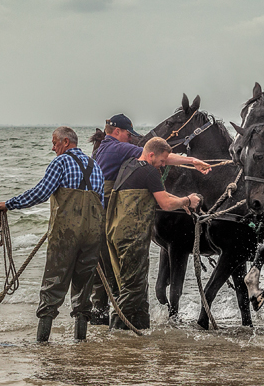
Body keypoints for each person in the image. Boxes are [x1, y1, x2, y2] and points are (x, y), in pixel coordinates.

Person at [89, 114, 211, 325]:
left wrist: (183, 194)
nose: (130, 138)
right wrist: (191, 163)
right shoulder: (122, 151)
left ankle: (103, 320)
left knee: (112, 276)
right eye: (128, 134)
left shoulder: (105, 151)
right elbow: (157, 161)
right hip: (115, 220)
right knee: (131, 284)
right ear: (117, 132)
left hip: (106, 222)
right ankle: (117, 330)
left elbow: (156, 160)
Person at [0, 127, 104, 343]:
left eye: (54, 143)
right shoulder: (96, 165)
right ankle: (80, 342)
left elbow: (41, 192)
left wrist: (9, 204)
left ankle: (42, 343)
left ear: (65, 142)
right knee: (84, 290)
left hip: (66, 234)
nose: (52, 147)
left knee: (53, 286)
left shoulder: (60, 162)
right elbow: (101, 203)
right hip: (93, 235)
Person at [104, 137, 202, 331]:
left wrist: (185, 201)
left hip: (115, 234)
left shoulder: (129, 165)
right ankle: (113, 337)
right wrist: (187, 200)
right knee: (133, 290)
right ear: (151, 155)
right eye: (163, 161)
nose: (164, 165)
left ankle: (141, 332)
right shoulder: (150, 171)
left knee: (137, 289)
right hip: (133, 238)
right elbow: (165, 203)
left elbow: (161, 196)